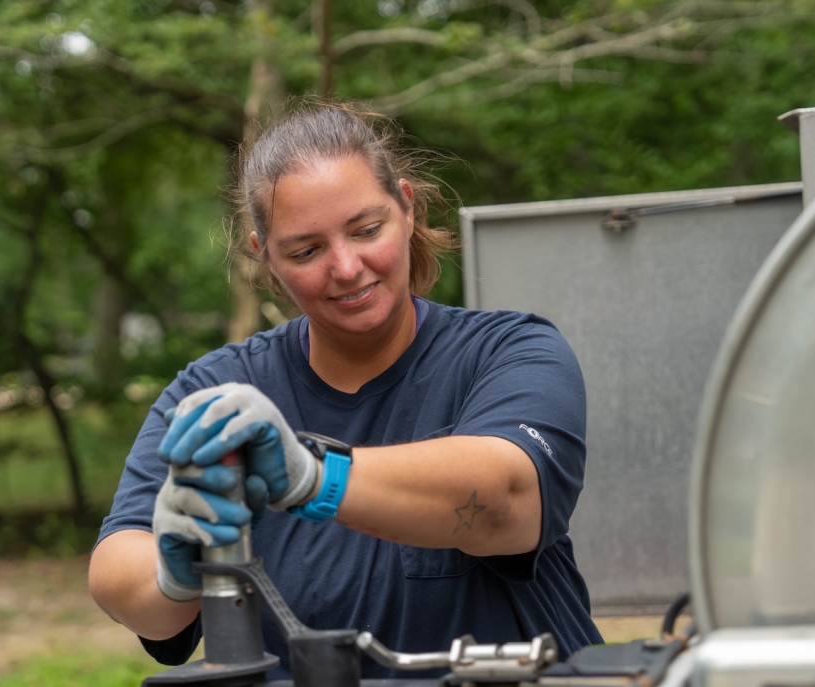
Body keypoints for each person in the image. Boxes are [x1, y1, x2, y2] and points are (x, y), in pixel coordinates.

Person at [88, 101, 603, 681]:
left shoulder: (512, 352)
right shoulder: (216, 389)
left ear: (408, 208)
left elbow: (506, 502)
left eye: (366, 230)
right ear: (266, 259)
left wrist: (311, 477)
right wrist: (172, 573)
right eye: (305, 251)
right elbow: (115, 570)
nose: (347, 266)